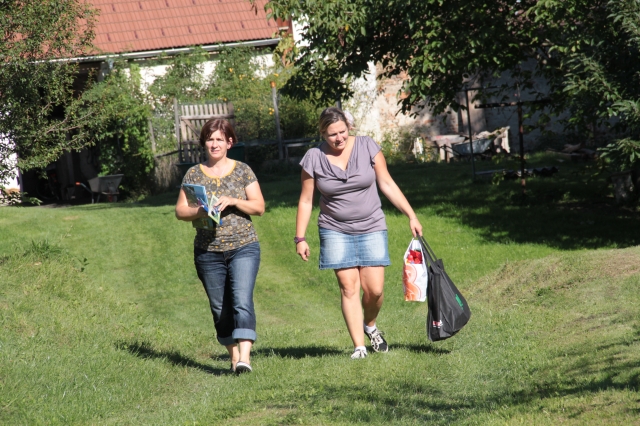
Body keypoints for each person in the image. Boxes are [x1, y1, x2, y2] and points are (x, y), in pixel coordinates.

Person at [295, 107, 423, 359]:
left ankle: (370, 326)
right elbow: (306, 200)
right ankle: (359, 347)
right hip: (334, 229)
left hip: (371, 225)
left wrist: (411, 215)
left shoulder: (367, 146)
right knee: (349, 288)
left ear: (349, 127)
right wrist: (300, 237)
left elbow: (387, 182)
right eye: (332, 134)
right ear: (322, 134)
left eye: (342, 131)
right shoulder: (313, 157)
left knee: (375, 290)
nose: (339, 138)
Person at [175, 118, 265, 374]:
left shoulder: (242, 170)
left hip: (243, 246)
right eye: (210, 139)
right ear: (204, 143)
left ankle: (245, 358)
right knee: (220, 309)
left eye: (219, 139)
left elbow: (259, 207)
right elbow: (180, 211)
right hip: (207, 251)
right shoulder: (194, 174)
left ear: (229, 143)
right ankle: (234, 357)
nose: (214, 144)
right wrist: (200, 211)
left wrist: (234, 200)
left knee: (242, 300)